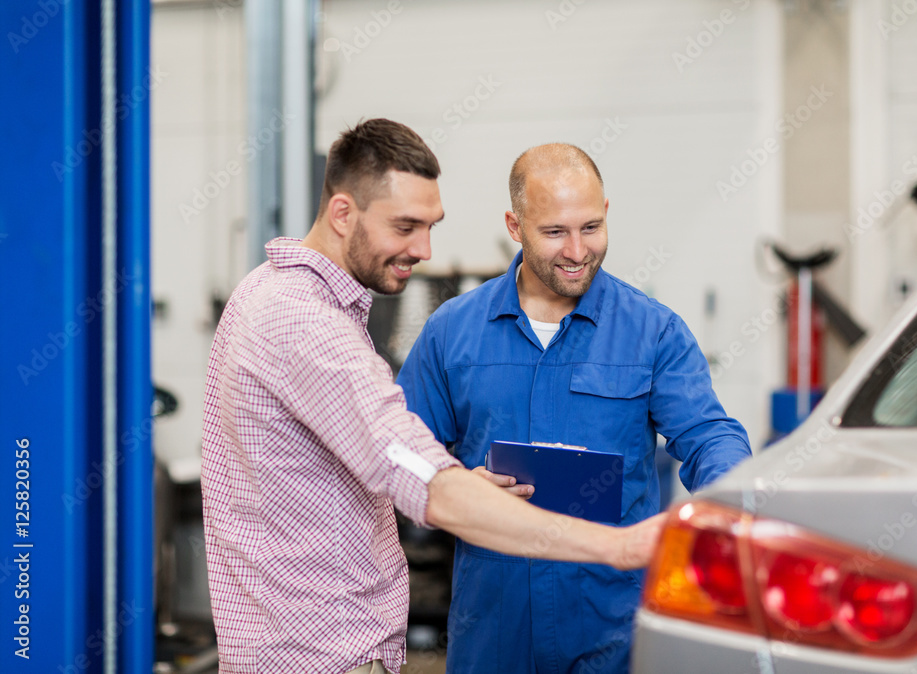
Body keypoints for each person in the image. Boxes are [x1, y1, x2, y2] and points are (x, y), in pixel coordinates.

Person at [200, 121, 666, 674]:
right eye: (405, 227)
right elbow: (429, 487)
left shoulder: (263, 288)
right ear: (344, 213)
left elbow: (372, 470)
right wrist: (620, 547)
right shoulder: (309, 326)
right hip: (322, 655)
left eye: (430, 226)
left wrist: (457, 484)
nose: (423, 250)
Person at [397, 143, 752, 673]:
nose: (577, 250)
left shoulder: (653, 332)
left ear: (607, 212)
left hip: (611, 630)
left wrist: (727, 503)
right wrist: (459, 482)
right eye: (555, 232)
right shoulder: (453, 331)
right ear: (515, 226)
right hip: (495, 628)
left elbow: (708, 435)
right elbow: (399, 451)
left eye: (591, 227)